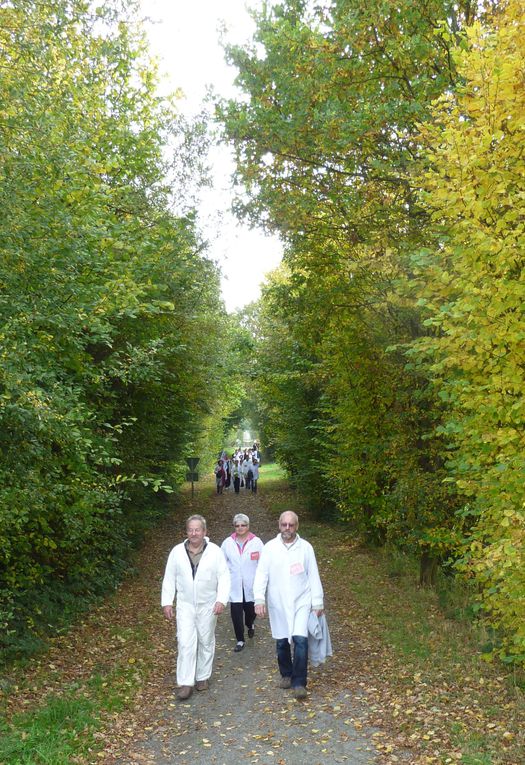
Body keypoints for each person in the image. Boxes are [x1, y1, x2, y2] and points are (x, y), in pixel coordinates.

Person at [253, 511, 324, 699]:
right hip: (278, 602)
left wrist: (317, 602)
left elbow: (313, 575)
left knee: (301, 640)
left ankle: (299, 682)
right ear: (279, 525)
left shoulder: (306, 548)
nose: (287, 528)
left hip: (301, 600)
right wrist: (259, 599)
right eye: (284, 524)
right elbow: (261, 574)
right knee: (282, 641)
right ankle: (286, 674)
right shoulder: (269, 548)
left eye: (291, 525)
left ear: (297, 526)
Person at [161, 514, 230, 701]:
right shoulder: (177, 552)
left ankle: (202, 676)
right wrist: (167, 601)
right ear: (187, 532)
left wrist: (221, 600)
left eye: (197, 529)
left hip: (208, 604)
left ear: (204, 531)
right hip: (185, 604)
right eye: (190, 530)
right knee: (185, 641)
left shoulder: (215, 552)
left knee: (206, 639)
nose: (194, 533)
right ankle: (185, 682)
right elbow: (169, 578)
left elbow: (224, 577)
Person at [221, 513, 264, 652]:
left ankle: (250, 624)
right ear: (234, 527)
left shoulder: (256, 542)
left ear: (248, 526)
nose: (240, 528)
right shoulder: (228, 543)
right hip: (234, 585)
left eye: (243, 525)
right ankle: (240, 640)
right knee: (236, 614)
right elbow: (221, 563)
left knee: (251, 611)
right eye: (237, 525)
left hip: (251, 584)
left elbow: (263, 564)